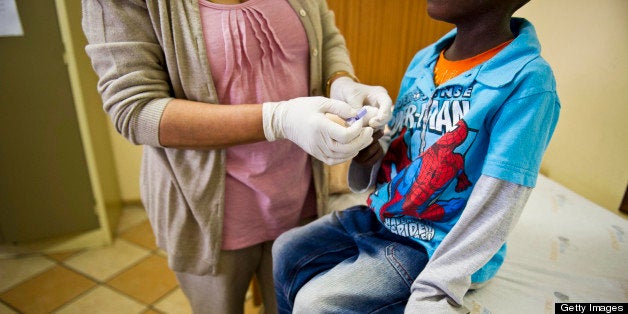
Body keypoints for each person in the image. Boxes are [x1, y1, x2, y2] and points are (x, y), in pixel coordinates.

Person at [81, 0, 392, 313]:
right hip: (207, 217)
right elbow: (135, 110)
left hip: (299, 200)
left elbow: (325, 34)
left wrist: (340, 82)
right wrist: (276, 120)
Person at [272, 0, 561, 312]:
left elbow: (498, 202)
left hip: (435, 244)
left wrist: (437, 288)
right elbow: (401, 148)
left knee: (316, 303)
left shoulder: (528, 83)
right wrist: (369, 154)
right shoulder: (424, 61)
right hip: (384, 216)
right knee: (286, 250)